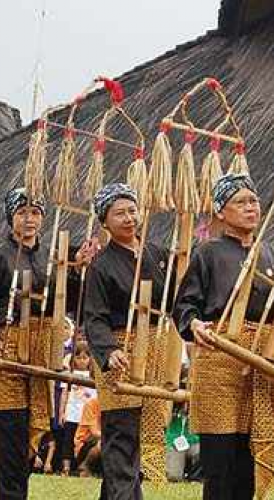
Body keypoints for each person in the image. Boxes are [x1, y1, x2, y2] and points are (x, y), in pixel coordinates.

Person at [0, 187, 94, 500]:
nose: (30, 220)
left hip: (41, 352)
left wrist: (76, 269)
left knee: (33, 432)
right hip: (8, 348)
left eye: (36, 213)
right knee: (10, 432)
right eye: (22, 213)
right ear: (11, 217)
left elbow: (65, 299)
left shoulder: (50, 256)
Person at [173, 173, 274, 500]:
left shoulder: (269, 254)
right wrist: (195, 326)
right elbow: (184, 306)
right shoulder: (207, 253)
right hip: (219, 362)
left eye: (254, 201)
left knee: (249, 463)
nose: (251, 208)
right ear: (221, 212)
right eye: (241, 202)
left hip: (260, 363)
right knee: (220, 464)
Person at [83, 182, 172, 498]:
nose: (128, 218)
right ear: (105, 221)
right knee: (121, 437)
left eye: (132, 210)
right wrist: (109, 352)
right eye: (119, 212)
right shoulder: (101, 265)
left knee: (135, 440)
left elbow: (175, 299)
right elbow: (93, 317)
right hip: (119, 356)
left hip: (154, 354)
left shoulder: (158, 255)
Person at [57, 341, 95, 475]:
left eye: (85, 357)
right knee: (68, 441)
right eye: (78, 357)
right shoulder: (69, 374)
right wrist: (62, 413)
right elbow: (64, 394)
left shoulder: (93, 377)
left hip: (86, 416)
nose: (82, 361)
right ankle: (66, 467)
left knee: (83, 441)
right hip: (71, 413)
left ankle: (82, 465)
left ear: (90, 359)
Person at [73, 396, 102, 477]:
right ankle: (85, 466)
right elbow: (95, 432)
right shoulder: (91, 404)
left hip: (104, 441)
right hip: (85, 444)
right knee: (102, 442)